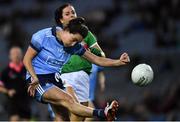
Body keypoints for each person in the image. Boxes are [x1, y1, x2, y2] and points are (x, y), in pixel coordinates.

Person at [23, 17, 130, 121]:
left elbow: (97, 59)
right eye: (74, 39)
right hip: (38, 80)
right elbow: (26, 59)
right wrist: (34, 77)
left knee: (64, 117)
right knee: (69, 100)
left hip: (55, 79)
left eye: (77, 42)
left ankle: (104, 113)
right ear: (67, 30)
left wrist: (118, 62)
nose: (74, 44)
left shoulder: (73, 46)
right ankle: (103, 113)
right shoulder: (44, 36)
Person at [49, 3, 107, 121]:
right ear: (61, 19)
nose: (72, 15)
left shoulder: (86, 33)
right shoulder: (56, 35)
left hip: (81, 80)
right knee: (65, 114)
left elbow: (101, 55)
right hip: (62, 77)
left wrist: (88, 50)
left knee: (78, 117)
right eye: (67, 13)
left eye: (73, 12)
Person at [0, 46, 31, 121]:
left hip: (25, 101)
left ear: (22, 55)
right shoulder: (6, 71)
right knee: (14, 119)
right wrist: (8, 91)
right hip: (12, 102)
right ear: (10, 56)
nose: (16, 55)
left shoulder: (27, 69)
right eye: (14, 53)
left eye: (18, 53)